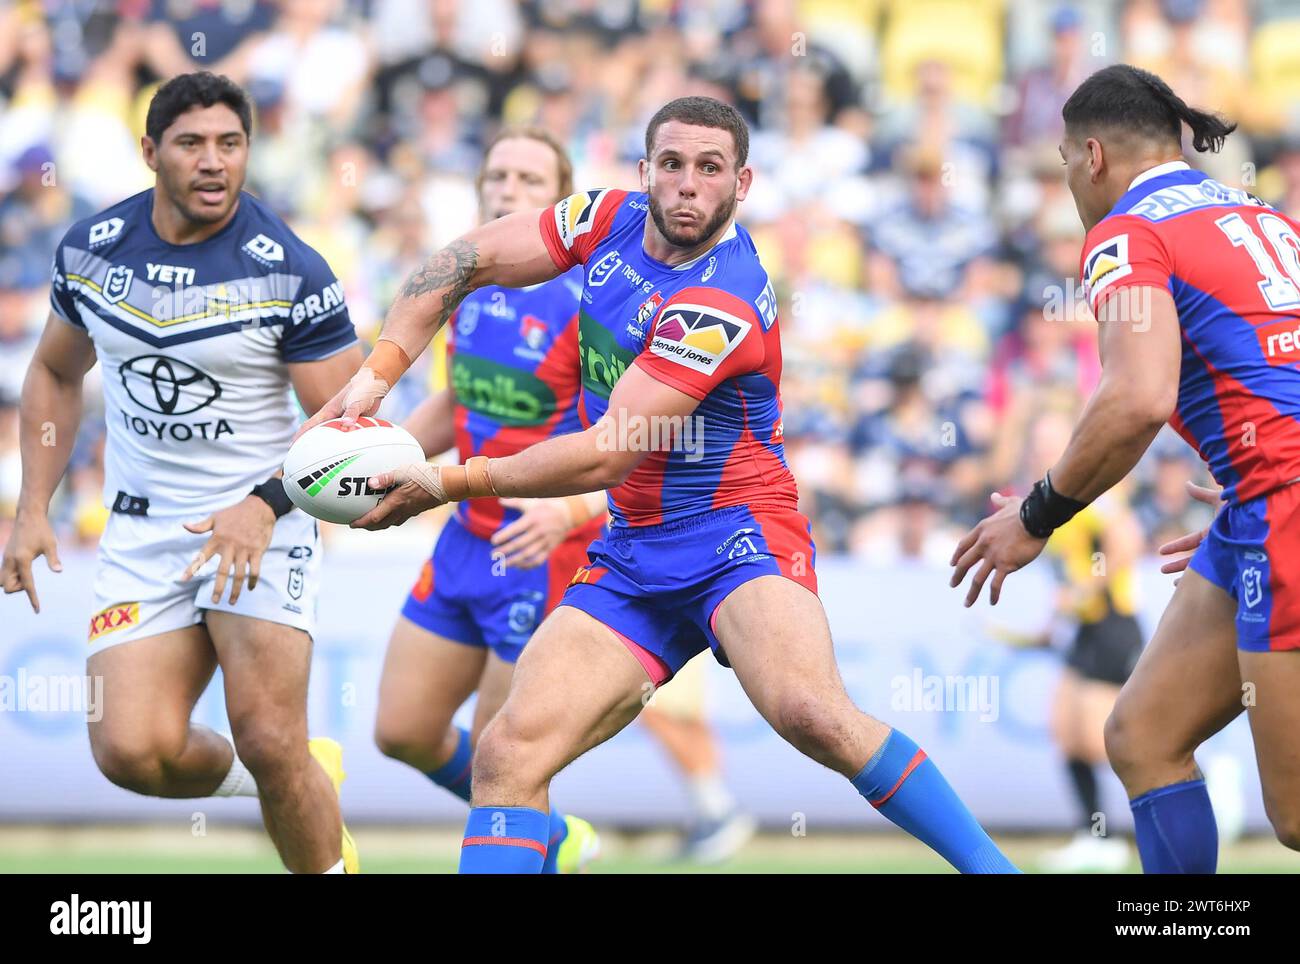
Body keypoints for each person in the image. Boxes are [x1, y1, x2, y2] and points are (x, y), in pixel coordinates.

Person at [304, 95, 1018, 875]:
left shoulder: (722, 298)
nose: (687, 184)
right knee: (508, 753)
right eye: (672, 164)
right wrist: (379, 371)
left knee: (813, 715)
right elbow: (465, 257)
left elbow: (611, 451)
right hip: (632, 548)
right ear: (645, 170)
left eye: (710, 168)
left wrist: (446, 483)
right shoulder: (602, 218)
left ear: (742, 183)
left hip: (736, 535)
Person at [0, 72, 362, 874]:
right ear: (150, 151)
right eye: (192, 143)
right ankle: (297, 775)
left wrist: (265, 504)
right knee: (132, 752)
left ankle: (293, 782)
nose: (213, 161)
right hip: (144, 527)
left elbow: (350, 426)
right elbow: (54, 372)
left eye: (230, 144)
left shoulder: (291, 268)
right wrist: (33, 509)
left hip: (261, 524)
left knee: (268, 735)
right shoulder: (93, 249)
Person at [951, 63, 1300, 871]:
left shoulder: (1127, 231)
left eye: (1065, 163)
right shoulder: (1263, 217)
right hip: (1261, 502)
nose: (1069, 183)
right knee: (1144, 735)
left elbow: (1138, 398)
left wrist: (1036, 515)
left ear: (1094, 155)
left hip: (1279, 504)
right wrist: (1259, 474)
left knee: (1295, 815)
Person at [371, 127, 604, 872]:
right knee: (402, 730)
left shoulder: (591, 303)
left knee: (507, 763)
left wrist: (570, 511)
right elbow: (461, 399)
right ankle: (556, 838)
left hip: (544, 551)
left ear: (561, 203)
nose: (508, 189)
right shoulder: (467, 283)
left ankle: (534, 846)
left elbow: (637, 444)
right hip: (465, 536)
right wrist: (380, 458)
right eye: (497, 175)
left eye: (530, 180)